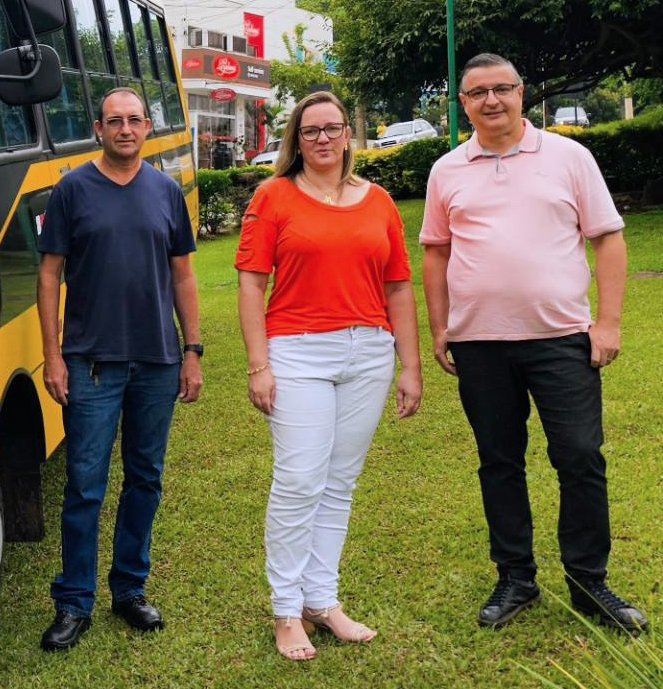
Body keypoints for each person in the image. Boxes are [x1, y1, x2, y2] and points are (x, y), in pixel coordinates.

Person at [420, 53, 648, 633]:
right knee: (499, 462)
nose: (490, 100)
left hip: (562, 339)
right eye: (477, 93)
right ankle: (516, 577)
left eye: (502, 89)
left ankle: (588, 583)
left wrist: (610, 322)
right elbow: (436, 252)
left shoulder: (570, 157)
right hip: (480, 343)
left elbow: (608, 240)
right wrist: (439, 327)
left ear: (523, 94)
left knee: (579, 457)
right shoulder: (448, 169)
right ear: (463, 104)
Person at [235, 91, 421, 661]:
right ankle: (286, 610)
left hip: (369, 352)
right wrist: (259, 365)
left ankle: (322, 599)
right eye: (310, 130)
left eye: (332, 129)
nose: (322, 139)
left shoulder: (380, 201)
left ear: (348, 135)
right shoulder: (273, 197)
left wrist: (409, 366)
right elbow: (250, 284)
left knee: (339, 483)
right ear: (297, 137)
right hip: (296, 354)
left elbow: (398, 286)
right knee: (298, 482)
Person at [35, 86, 203, 652]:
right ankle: (73, 602)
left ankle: (129, 589)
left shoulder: (165, 193)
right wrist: (53, 355)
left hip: (157, 360)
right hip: (91, 364)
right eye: (115, 121)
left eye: (135, 120)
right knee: (85, 484)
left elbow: (183, 276)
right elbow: (50, 276)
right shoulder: (71, 190)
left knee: (145, 480)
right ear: (98, 129)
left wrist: (193, 351)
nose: (125, 129)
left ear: (147, 128)